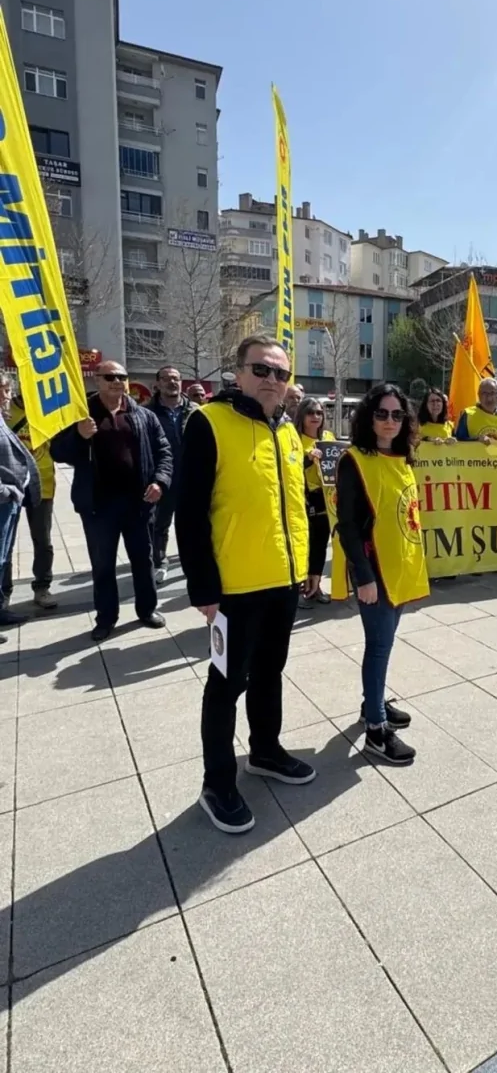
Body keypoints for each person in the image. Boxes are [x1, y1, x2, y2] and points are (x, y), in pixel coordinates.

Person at [176, 334, 316, 835]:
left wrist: (307, 566)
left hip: (283, 580)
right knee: (226, 684)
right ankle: (217, 784)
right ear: (238, 373)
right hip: (234, 588)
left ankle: (265, 751)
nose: (272, 380)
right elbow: (189, 512)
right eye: (262, 369)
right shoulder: (209, 422)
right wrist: (203, 588)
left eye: (281, 373)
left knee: (270, 672)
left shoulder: (288, 431)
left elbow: (296, 507)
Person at [333, 383, 428, 764]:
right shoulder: (354, 460)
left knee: (385, 644)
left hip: (400, 565)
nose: (390, 421)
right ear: (368, 417)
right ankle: (375, 729)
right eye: (382, 413)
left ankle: (372, 703)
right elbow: (347, 526)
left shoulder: (403, 457)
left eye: (397, 414)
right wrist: (364, 577)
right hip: (375, 572)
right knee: (378, 646)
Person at [50, 361, 171, 642]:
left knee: (143, 560)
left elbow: (164, 451)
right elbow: (58, 452)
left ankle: (147, 610)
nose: (117, 381)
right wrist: (79, 436)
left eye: (122, 376)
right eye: (110, 377)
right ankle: (106, 618)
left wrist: (160, 482)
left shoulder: (143, 415)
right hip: (99, 506)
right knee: (103, 565)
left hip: (138, 504)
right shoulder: (81, 416)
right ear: (97, 380)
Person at [1, 391, 57, 613]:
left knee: (43, 539)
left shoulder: (47, 411)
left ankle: (42, 586)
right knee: (5, 543)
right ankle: (4, 592)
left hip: (42, 483)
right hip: (10, 485)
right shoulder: (6, 412)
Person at [147, 367, 194, 583]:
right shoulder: (147, 412)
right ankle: (160, 562)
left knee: (190, 524)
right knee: (160, 524)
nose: (172, 382)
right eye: (166, 379)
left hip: (190, 478)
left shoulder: (195, 411)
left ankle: (190, 562)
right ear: (157, 383)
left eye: (176, 378)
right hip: (162, 479)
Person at [0, 409, 40, 641]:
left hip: (10, 500)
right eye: (4, 392)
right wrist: (7, 491)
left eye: (7, 392)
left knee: (3, 559)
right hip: (4, 498)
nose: (8, 395)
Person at [295, 396, 335, 609]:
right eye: (310, 412)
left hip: (326, 498)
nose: (315, 417)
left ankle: (316, 586)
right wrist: (307, 459)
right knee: (305, 545)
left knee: (320, 545)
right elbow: (288, 468)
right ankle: (302, 589)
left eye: (319, 412)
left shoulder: (328, 437)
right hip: (303, 498)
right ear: (302, 415)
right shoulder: (293, 438)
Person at [455, 378, 497, 447]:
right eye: (484, 393)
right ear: (479, 395)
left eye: (492, 393)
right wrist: (476, 439)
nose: (489, 398)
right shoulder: (468, 414)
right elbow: (459, 442)